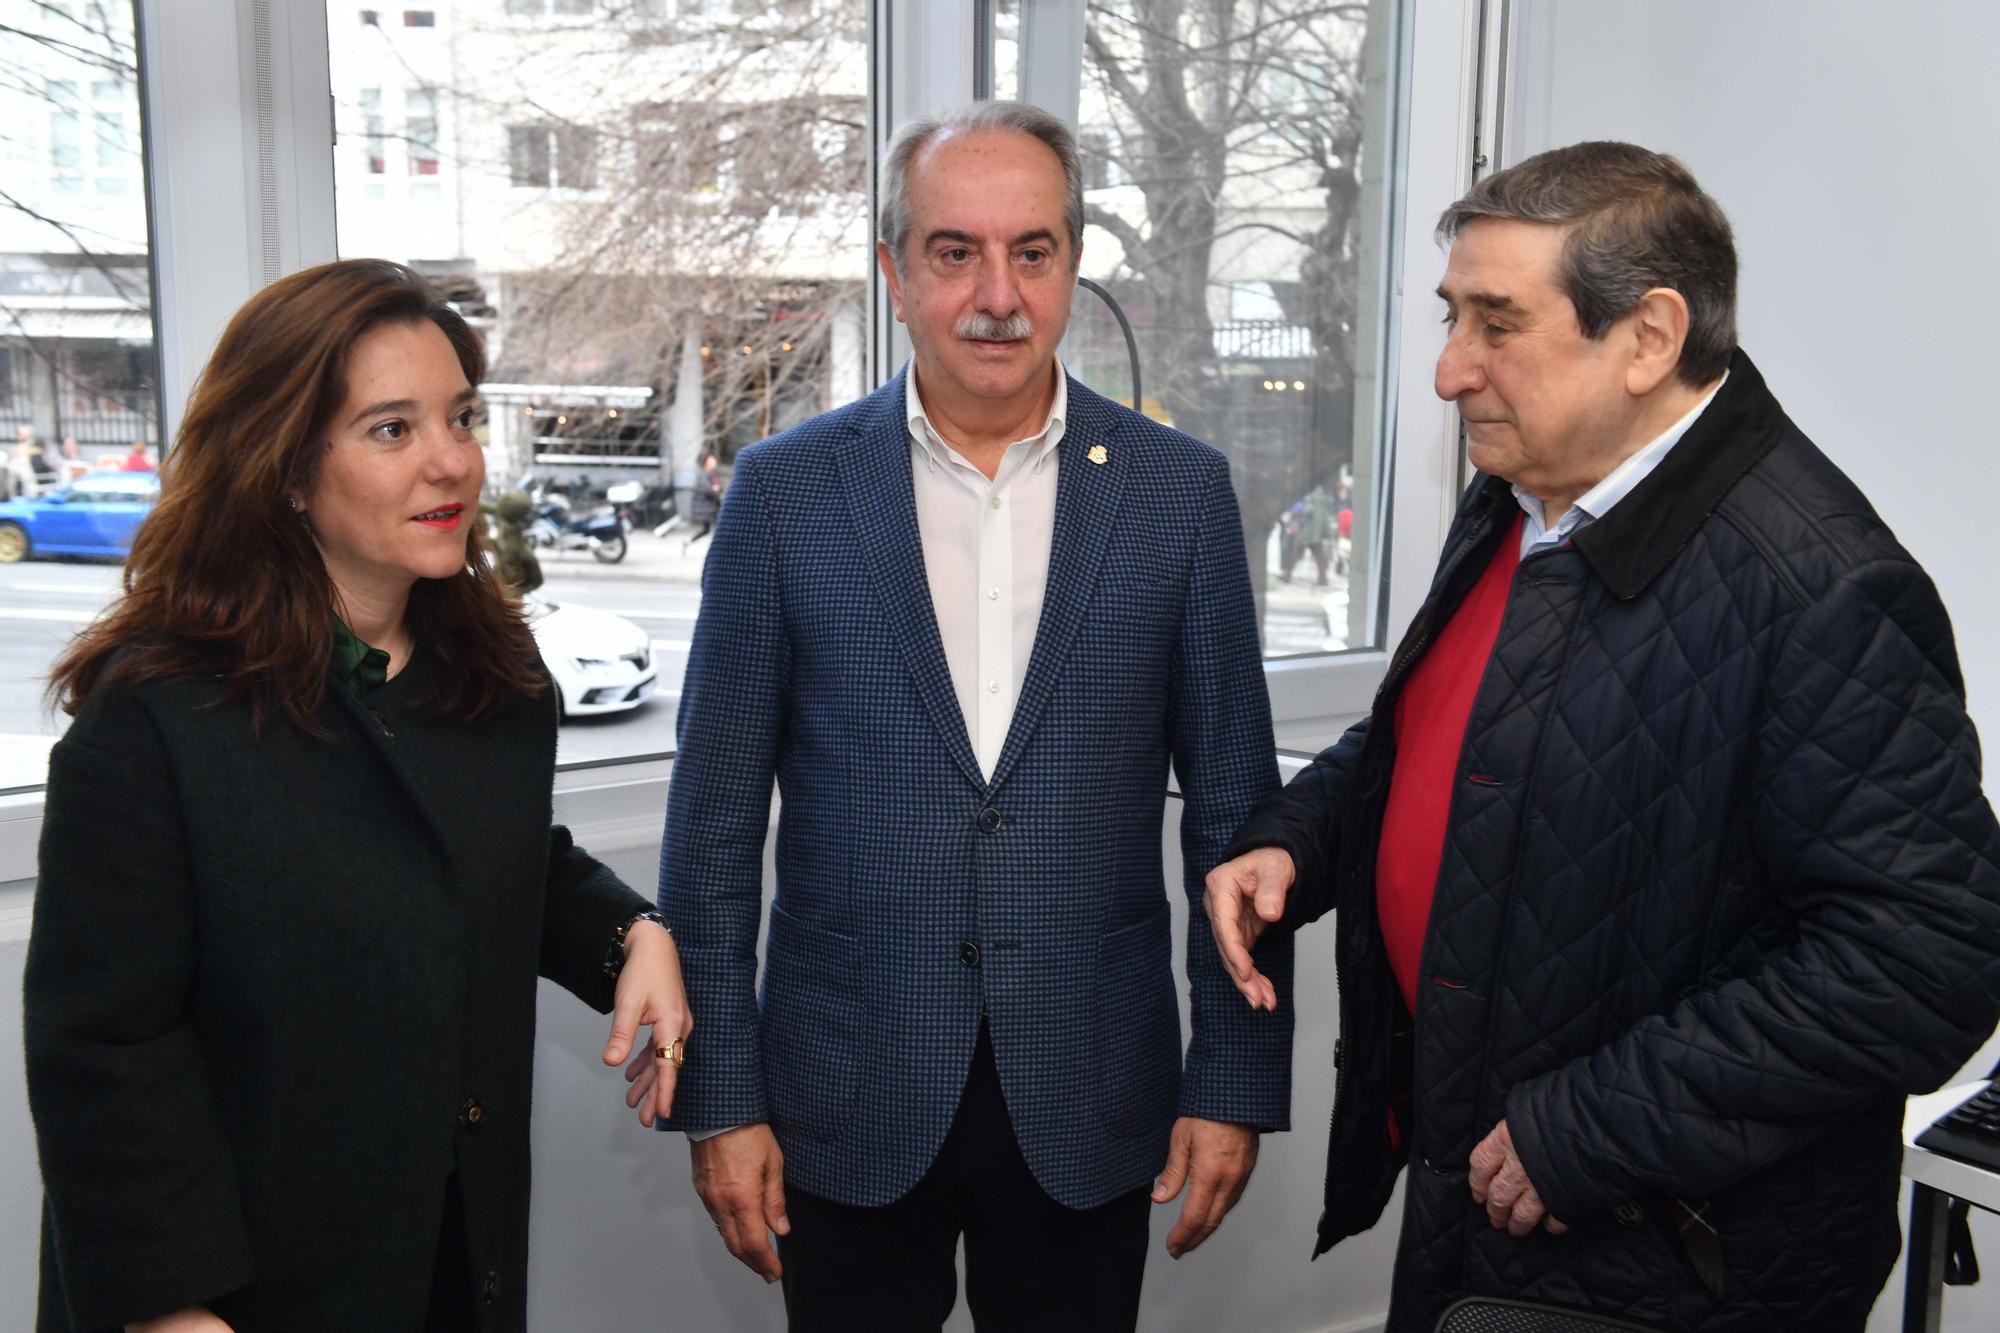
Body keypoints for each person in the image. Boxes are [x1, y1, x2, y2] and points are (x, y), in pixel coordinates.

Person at [1205, 141, 2000, 1332]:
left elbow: (1927, 961)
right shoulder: (1526, 489)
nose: (1448, 370)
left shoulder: (1821, 590)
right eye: (1450, 317)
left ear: (1647, 338)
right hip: (1481, 1207)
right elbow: (1446, 724)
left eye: (1495, 324)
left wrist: (1594, 1125)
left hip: (1661, 1263)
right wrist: (1299, 836)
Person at [658, 100, 1290, 1331]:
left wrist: (1233, 1076)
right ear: (894, 273)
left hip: (1090, 1083)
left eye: (1031, 251)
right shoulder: (785, 495)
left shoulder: (1178, 496)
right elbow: (713, 824)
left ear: (1071, 263)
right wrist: (719, 1096)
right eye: (954, 252)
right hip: (844, 1086)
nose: (997, 296)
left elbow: (1236, 819)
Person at [24, 259, 692, 1333]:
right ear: (287, 470)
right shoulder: (155, 712)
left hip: (447, 1261)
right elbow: (102, 1045)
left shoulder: (496, 675)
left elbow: (489, 855)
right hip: (233, 1292)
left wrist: (631, 931)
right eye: (391, 428)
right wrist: (167, 1306)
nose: (451, 460)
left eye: (460, 417)